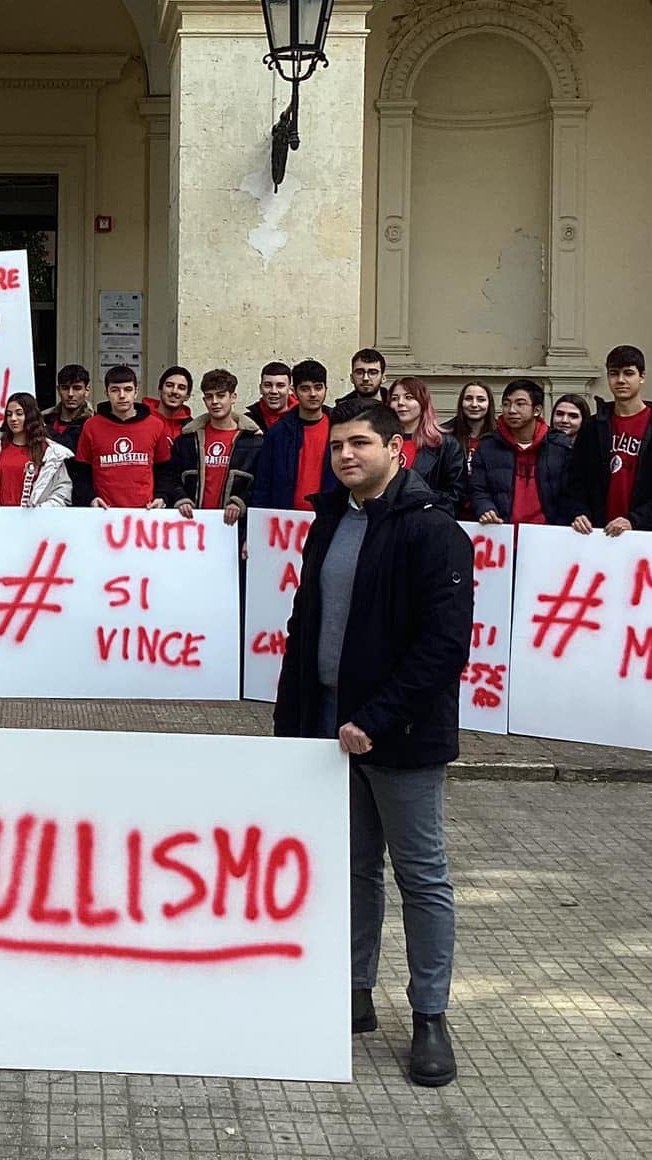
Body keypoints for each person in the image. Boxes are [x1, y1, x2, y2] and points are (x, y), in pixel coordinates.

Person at [271, 402, 473, 1089]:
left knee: (422, 877)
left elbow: (443, 647)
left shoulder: (432, 530)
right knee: (354, 869)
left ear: (398, 448)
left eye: (360, 443)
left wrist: (378, 719)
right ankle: (353, 994)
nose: (345, 456)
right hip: (330, 727)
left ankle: (429, 1017)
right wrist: (293, 720)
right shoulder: (331, 520)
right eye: (336, 447)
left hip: (399, 736)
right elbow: (307, 623)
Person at [563, 345, 652, 536]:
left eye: (628, 373)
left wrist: (634, 520)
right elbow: (576, 481)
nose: (620, 380)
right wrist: (579, 512)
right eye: (614, 373)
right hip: (596, 535)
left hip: (645, 536)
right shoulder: (592, 427)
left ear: (642, 376)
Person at [471, 380, 577, 526]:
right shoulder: (487, 446)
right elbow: (478, 489)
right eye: (506, 404)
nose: (511, 410)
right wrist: (485, 508)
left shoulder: (559, 446)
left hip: (548, 534)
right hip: (501, 532)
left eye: (520, 404)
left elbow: (571, 493)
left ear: (537, 410)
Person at [74, 365, 176, 510]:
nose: (122, 395)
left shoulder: (155, 425)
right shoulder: (91, 426)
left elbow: (165, 470)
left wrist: (162, 497)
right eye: (115, 390)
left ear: (136, 392)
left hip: (145, 512)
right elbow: (82, 472)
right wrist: (90, 498)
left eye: (128, 389)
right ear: (107, 393)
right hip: (104, 512)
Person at [169, 369, 262, 525]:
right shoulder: (187, 440)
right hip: (193, 524)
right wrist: (181, 498)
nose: (215, 402)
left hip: (234, 527)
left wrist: (240, 502)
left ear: (233, 397)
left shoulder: (253, 442)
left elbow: (260, 484)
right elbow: (171, 477)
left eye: (221, 395)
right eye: (209, 396)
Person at [249, 359, 335, 512]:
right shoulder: (278, 433)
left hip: (328, 518)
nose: (313, 394)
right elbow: (263, 483)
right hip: (286, 522)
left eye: (318, 387)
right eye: (305, 389)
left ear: (326, 389)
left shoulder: (338, 428)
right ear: (294, 391)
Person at [0, 392, 74, 508]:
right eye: (9, 414)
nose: (13, 419)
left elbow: (62, 492)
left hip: (36, 523)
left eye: (19, 414)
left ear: (31, 416)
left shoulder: (51, 452)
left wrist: (43, 510)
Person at [385, 377, 466, 513]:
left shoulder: (446, 445)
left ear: (423, 403)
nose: (400, 403)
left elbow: (456, 496)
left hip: (423, 520)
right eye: (394, 398)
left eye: (409, 397)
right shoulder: (380, 442)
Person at [45, 363, 96, 505]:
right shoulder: (43, 422)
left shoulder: (95, 424)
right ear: (58, 390)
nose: (71, 394)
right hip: (49, 498)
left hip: (85, 498)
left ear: (87, 391)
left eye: (77, 388)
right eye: (65, 388)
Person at [442, 382, 495, 517]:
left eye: (481, 399)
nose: (474, 404)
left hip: (490, 512)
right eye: (468, 399)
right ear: (461, 402)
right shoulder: (443, 435)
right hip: (454, 511)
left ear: (489, 404)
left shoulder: (501, 436)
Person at [148, 365, 194, 440]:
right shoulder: (142, 418)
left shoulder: (192, 428)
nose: (174, 391)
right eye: (169, 385)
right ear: (160, 390)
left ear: (187, 396)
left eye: (181, 388)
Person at [245, 361, 295, 429]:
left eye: (280, 386)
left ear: (290, 389)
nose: (273, 391)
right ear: (260, 388)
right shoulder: (248, 422)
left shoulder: (303, 417)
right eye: (268, 385)